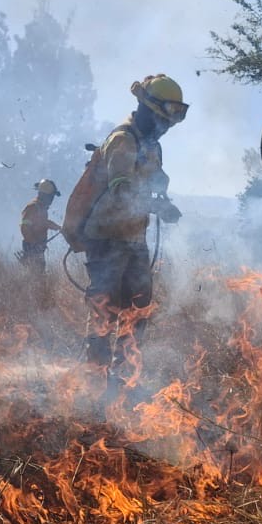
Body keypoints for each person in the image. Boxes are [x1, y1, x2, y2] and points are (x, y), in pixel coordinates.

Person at [79, 73, 187, 387]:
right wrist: (155, 207)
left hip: (133, 238)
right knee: (105, 306)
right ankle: (94, 377)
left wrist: (162, 199)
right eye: (161, 119)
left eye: (169, 122)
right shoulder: (123, 140)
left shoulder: (150, 145)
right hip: (107, 236)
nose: (165, 127)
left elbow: (155, 178)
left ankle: (124, 372)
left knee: (138, 306)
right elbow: (121, 191)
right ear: (145, 109)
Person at [18, 179, 62, 272]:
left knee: (39, 274)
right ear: (44, 195)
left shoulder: (41, 207)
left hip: (38, 248)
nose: (52, 199)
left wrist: (58, 227)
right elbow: (24, 227)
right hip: (32, 248)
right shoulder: (33, 207)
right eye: (50, 197)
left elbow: (44, 222)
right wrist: (34, 243)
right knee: (35, 276)